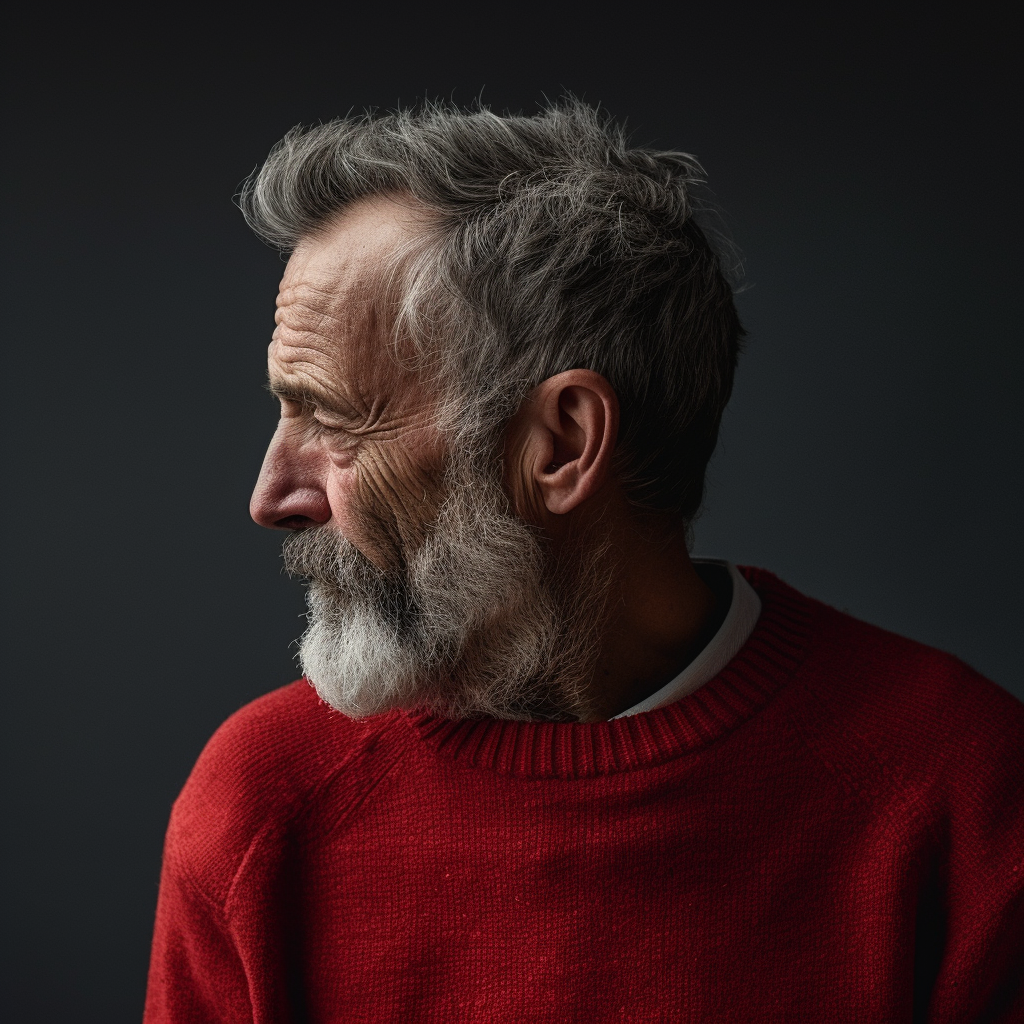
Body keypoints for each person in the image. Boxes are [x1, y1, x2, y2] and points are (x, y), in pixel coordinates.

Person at [143, 101, 1023, 1023]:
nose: (271, 494)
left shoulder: (964, 797)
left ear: (561, 444)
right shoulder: (263, 802)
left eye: (330, 416)